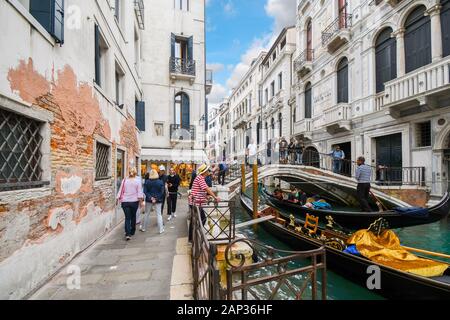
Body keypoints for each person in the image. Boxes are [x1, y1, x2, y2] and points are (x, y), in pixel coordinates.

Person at [188, 164, 221, 242]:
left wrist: (206, 197)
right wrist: (215, 197)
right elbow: (207, 189)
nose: (208, 172)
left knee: (197, 219)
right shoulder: (200, 178)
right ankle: (195, 236)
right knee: (201, 219)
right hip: (196, 203)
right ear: (205, 172)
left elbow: (201, 190)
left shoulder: (200, 178)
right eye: (207, 170)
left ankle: (193, 237)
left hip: (196, 202)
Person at [116, 167, 144, 241]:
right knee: (133, 216)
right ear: (135, 173)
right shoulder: (137, 181)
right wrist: (141, 202)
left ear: (129, 173)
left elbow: (120, 189)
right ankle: (132, 231)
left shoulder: (124, 180)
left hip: (125, 202)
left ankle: (127, 234)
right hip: (134, 202)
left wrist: (117, 198)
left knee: (127, 218)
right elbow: (140, 193)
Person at [142, 169, 165, 234]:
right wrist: (156, 198)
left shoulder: (147, 182)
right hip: (158, 200)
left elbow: (145, 191)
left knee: (147, 214)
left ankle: (144, 228)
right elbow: (162, 192)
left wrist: (151, 198)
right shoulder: (160, 182)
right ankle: (161, 229)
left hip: (149, 200)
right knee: (159, 215)